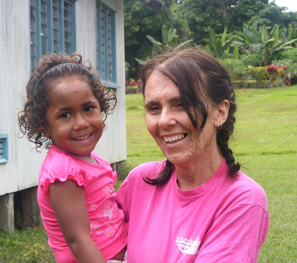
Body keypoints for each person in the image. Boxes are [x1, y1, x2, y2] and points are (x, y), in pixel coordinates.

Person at [116, 49, 269, 262]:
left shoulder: (242, 200)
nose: (163, 121)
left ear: (220, 112)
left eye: (181, 104)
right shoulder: (140, 180)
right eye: (154, 108)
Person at [18, 53, 127, 263]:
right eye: (65, 115)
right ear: (44, 126)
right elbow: (78, 240)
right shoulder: (63, 172)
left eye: (88, 109)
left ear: (100, 107)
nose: (81, 123)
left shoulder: (91, 160)